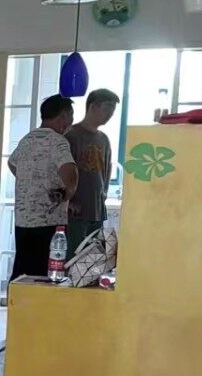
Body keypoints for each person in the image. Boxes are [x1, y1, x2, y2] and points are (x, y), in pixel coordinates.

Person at [7, 94, 78, 279]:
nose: (70, 123)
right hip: (49, 221)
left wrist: (31, 182)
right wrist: (68, 193)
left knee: (23, 271)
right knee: (44, 274)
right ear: (64, 115)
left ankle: (17, 299)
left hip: (23, 219)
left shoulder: (27, 140)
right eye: (71, 117)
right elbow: (69, 171)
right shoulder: (58, 141)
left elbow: (12, 163)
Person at [65, 88, 119, 254]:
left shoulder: (104, 139)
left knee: (93, 258)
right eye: (107, 107)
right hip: (75, 211)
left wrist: (104, 192)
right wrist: (68, 200)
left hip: (97, 209)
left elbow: (107, 167)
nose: (110, 113)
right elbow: (61, 171)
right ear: (93, 106)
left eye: (113, 109)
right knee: (73, 256)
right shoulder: (71, 135)